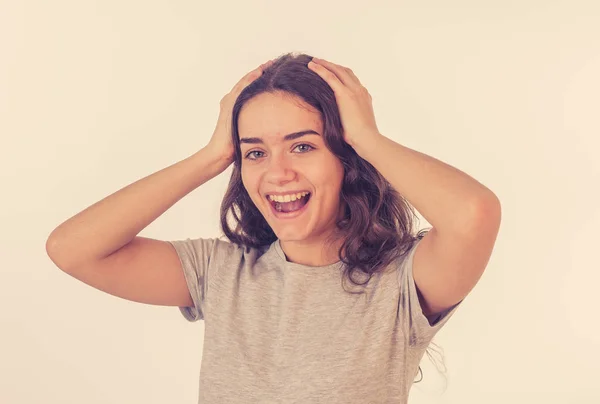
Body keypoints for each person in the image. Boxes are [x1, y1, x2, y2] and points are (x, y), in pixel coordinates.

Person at [46, 52, 502, 403]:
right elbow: (72, 249)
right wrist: (209, 157)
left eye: (302, 147)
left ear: (346, 160)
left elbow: (472, 214)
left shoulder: (400, 283)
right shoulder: (221, 272)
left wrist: (367, 138)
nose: (276, 173)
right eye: (255, 153)